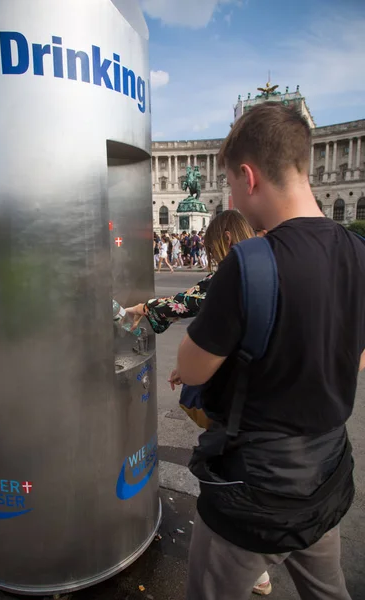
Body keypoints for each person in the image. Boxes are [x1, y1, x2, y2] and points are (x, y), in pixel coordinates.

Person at [173, 102, 365, 600]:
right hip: (324, 476)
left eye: (232, 185)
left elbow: (191, 364)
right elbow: (359, 356)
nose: (233, 198)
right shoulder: (358, 252)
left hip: (253, 491)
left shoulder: (250, 261)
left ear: (248, 175)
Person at [125, 211, 272, 596]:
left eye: (210, 248)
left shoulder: (231, 277)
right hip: (269, 396)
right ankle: (258, 565)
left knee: (231, 479)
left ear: (220, 242)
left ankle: (250, 568)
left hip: (239, 404)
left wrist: (140, 310)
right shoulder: (270, 268)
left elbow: (184, 302)